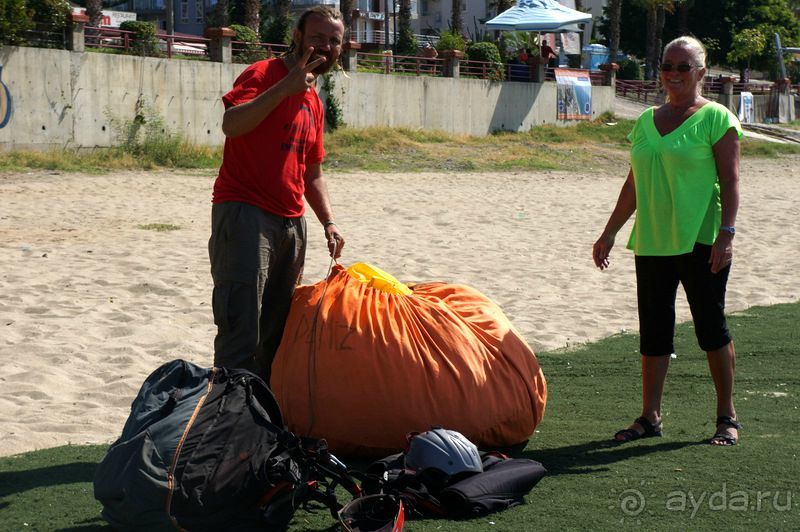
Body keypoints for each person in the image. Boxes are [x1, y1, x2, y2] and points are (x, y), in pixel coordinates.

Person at [592, 36, 743, 446]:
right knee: (654, 330)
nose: (674, 74)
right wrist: (610, 231)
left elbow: (729, 181)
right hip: (654, 239)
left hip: (702, 237)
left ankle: (727, 416)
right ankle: (650, 416)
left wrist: (726, 234)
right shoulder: (645, 122)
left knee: (711, 328)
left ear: (701, 72)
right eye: (668, 66)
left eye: (683, 66)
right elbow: (634, 182)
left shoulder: (717, 118)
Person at [209, 5, 346, 385]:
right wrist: (284, 88)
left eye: (335, 41)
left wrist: (329, 222)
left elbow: (312, 171)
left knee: (275, 334)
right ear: (298, 37)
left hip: (291, 223)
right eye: (318, 38)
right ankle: (227, 423)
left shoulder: (315, 101)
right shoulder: (264, 73)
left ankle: (263, 420)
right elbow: (231, 124)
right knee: (240, 329)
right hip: (245, 216)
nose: (327, 47)